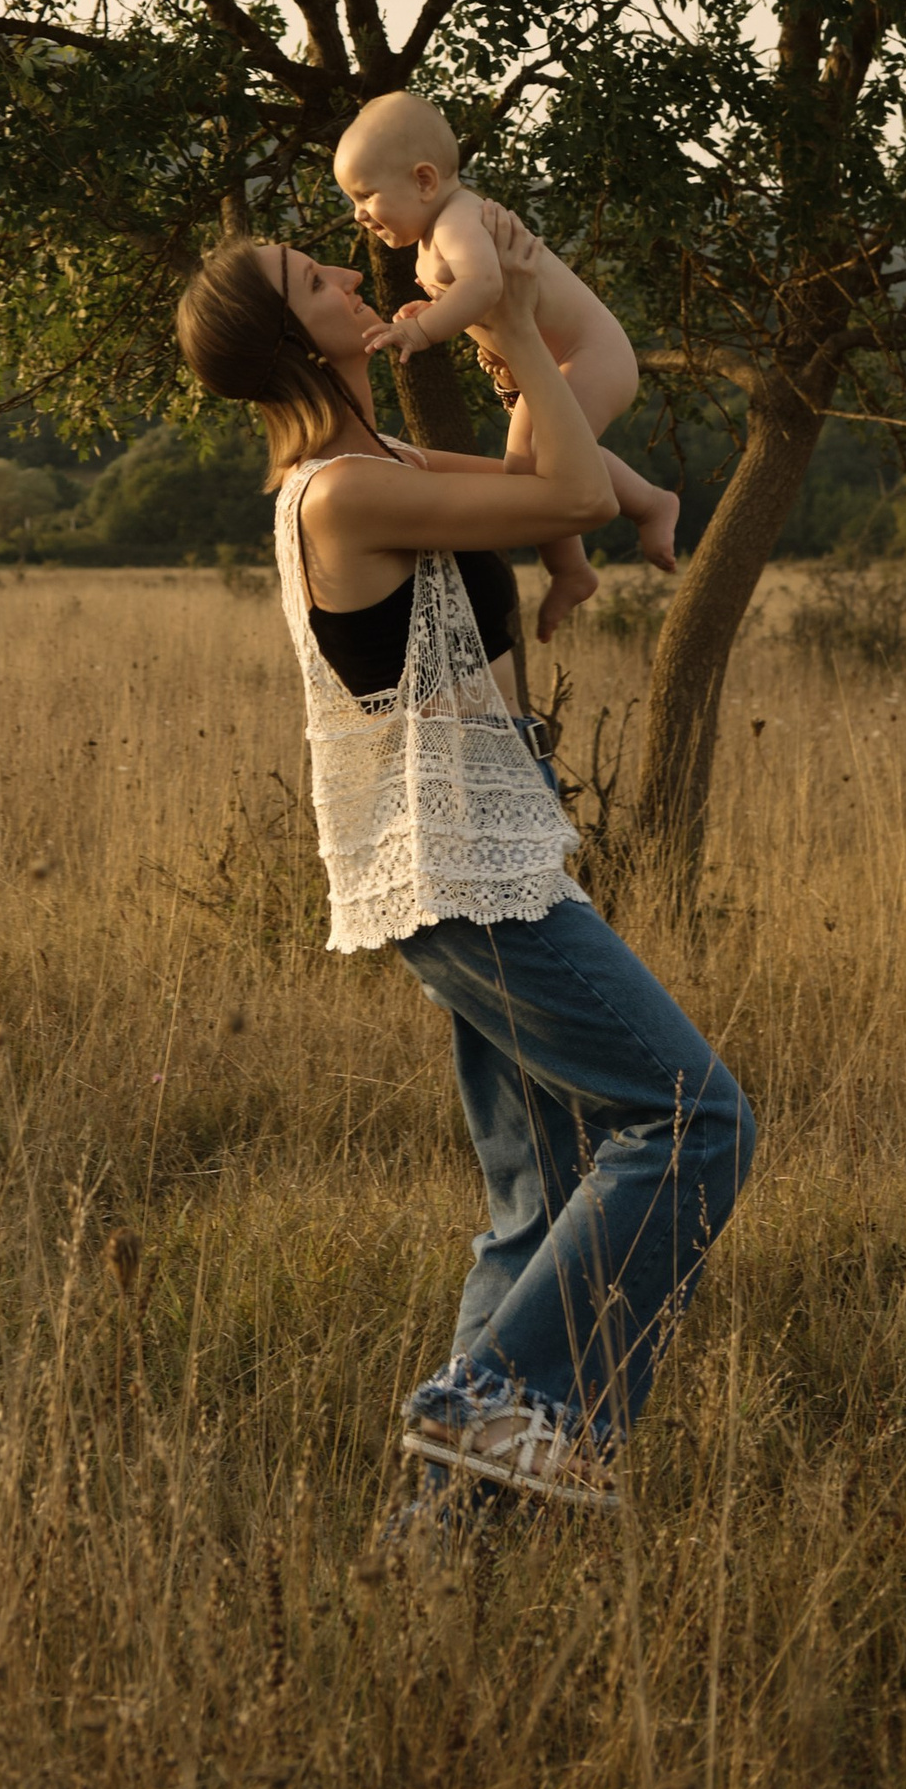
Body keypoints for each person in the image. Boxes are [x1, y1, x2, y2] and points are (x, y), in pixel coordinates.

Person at [174, 215, 752, 1540]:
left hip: (489, 839)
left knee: (540, 1199)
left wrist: (524, 297)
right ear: (290, 340)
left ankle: (437, 1540)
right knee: (694, 1119)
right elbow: (574, 499)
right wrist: (492, 320)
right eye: (310, 280)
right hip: (461, 862)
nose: (343, 273)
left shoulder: (378, 459)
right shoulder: (340, 490)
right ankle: (495, 1391)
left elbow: (571, 446)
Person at [334, 89, 680, 635]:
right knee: (537, 469)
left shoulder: (456, 220)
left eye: (367, 194)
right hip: (558, 358)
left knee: (536, 471)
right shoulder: (434, 235)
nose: (358, 213)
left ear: (424, 180)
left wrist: (422, 329)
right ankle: (585, 556)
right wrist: (438, 306)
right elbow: (477, 296)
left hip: (590, 355)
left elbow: (487, 283)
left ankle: (629, 521)